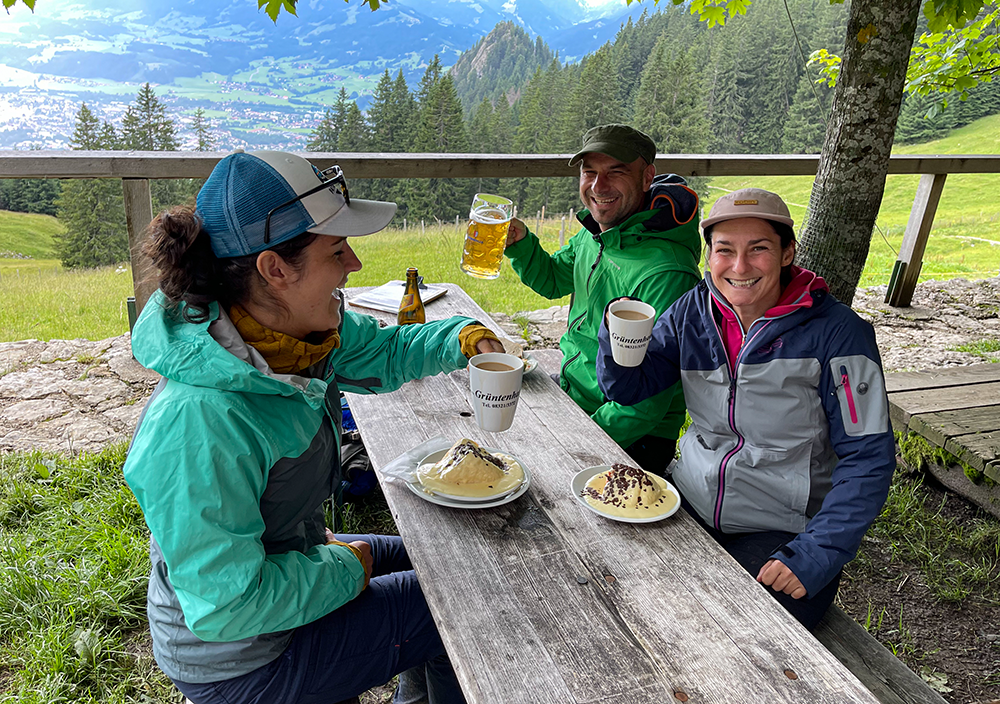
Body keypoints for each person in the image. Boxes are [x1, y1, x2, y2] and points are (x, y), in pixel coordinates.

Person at [124, 150, 503, 704]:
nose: (353, 263)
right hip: (243, 661)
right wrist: (346, 570)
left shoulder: (292, 336)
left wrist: (462, 337)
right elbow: (226, 606)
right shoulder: (199, 423)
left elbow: (384, 350)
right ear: (275, 268)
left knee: (431, 557)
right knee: (457, 602)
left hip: (285, 563)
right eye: (336, 249)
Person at [596, 188, 896, 629]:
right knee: (614, 596)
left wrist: (817, 553)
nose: (739, 267)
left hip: (782, 530)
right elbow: (628, 387)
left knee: (743, 639)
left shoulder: (839, 334)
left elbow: (869, 457)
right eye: (725, 251)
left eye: (758, 249)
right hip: (688, 501)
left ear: (787, 252)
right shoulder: (692, 313)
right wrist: (615, 334)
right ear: (709, 256)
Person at [504, 124, 701, 475]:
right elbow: (553, 280)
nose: (598, 186)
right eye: (589, 172)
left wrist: (574, 441)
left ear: (646, 177)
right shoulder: (598, 233)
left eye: (616, 172)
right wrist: (521, 244)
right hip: (574, 389)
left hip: (632, 436)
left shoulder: (667, 273)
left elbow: (643, 407)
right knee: (489, 401)